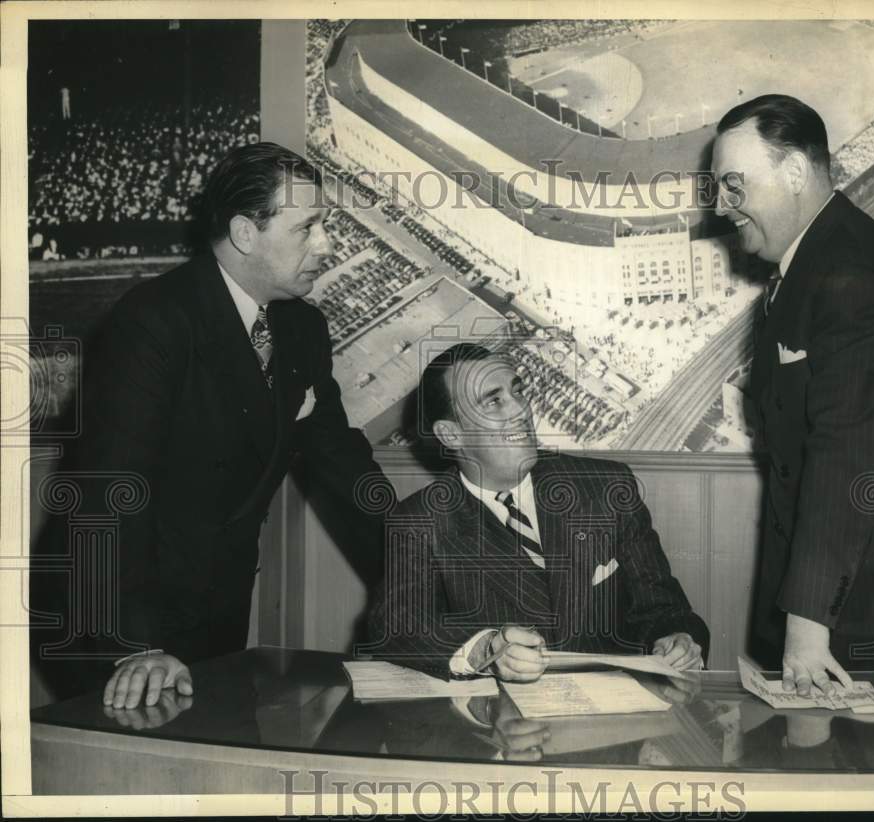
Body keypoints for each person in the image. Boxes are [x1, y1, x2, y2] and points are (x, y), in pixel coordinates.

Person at [31, 142, 393, 710]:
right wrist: (135, 646)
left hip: (215, 608)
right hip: (110, 620)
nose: (328, 245)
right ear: (246, 233)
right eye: (309, 228)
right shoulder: (153, 322)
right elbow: (107, 493)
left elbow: (343, 465)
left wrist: (428, 569)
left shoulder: (302, 328)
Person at [710, 95, 874, 694]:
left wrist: (806, 624)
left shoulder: (850, 274)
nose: (720, 206)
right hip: (839, 603)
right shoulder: (818, 260)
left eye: (732, 186)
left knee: (847, 785)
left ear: (795, 172)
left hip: (862, 613)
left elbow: (846, 455)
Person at [365, 343, 708, 681]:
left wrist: (677, 638)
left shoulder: (605, 487)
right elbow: (396, 623)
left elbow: (664, 608)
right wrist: (486, 651)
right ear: (451, 434)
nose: (520, 410)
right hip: (503, 727)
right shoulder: (419, 521)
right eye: (494, 401)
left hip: (611, 721)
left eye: (517, 392)